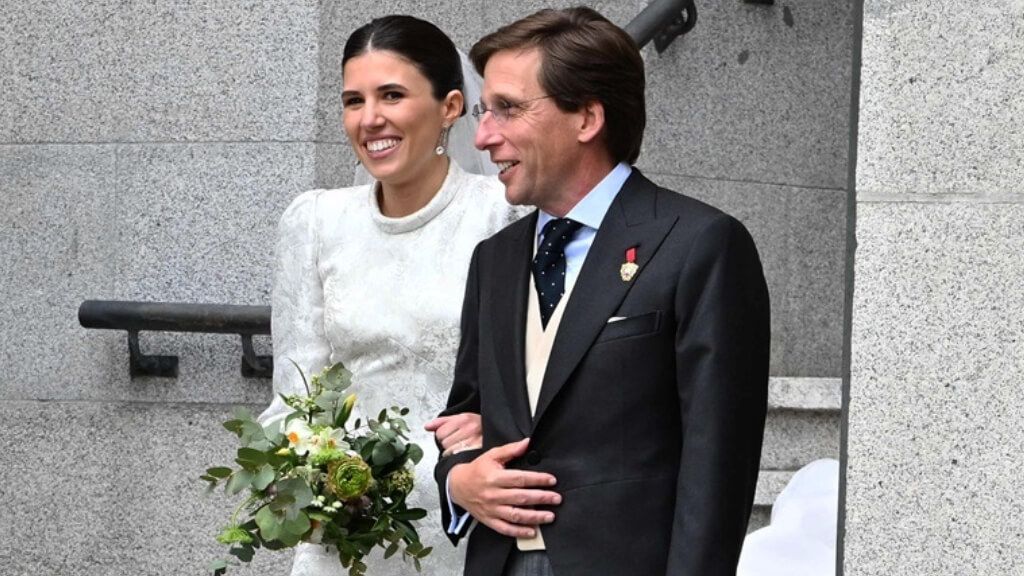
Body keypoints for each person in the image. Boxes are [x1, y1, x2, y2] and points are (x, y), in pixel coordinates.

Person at [435, 7, 771, 576]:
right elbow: (464, 421)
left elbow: (717, 471)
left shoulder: (701, 245)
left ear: (587, 117)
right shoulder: (493, 260)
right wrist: (458, 480)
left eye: (508, 109)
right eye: (483, 111)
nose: (484, 136)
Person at [259, 15, 521, 576]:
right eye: (354, 101)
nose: (370, 118)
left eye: (392, 95)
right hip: (344, 531)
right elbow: (294, 398)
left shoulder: (502, 213)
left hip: (472, 517)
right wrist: (303, 481)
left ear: (450, 107)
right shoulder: (315, 221)